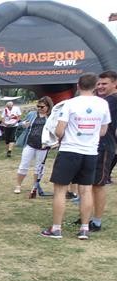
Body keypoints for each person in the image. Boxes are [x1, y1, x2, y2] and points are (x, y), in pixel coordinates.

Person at [40, 73, 110, 240]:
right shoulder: (103, 104)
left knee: (60, 190)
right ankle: (84, 228)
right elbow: (103, 131)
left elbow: (59, 130)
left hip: (69, 150)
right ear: (95, 86)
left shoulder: (70, 103)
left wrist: (64, 137)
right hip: (90, 152)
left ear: (78, 86)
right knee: (85, 190)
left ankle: (56, 228)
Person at [89, 70, 117, 232]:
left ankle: (97, 221)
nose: (100, 86)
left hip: (104, 146)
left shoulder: (112, 101)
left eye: (104, 83)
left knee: (98, 184)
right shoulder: (103, 101)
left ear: (115, 84)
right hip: (94, 145)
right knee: (90, 184)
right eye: (98, 83)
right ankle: (87, 215)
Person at [13, 97, 52, 197]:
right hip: (30, 143)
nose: (39, 108)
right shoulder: (32, 114)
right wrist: (24, 124)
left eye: (42, 107)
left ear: (48, 107)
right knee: (23, 164)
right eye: (38, 106)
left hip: (43, 146)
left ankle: (35, 187)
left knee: (39, 167)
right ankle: (18, 185)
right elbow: (20, 123)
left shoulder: (51, 117)